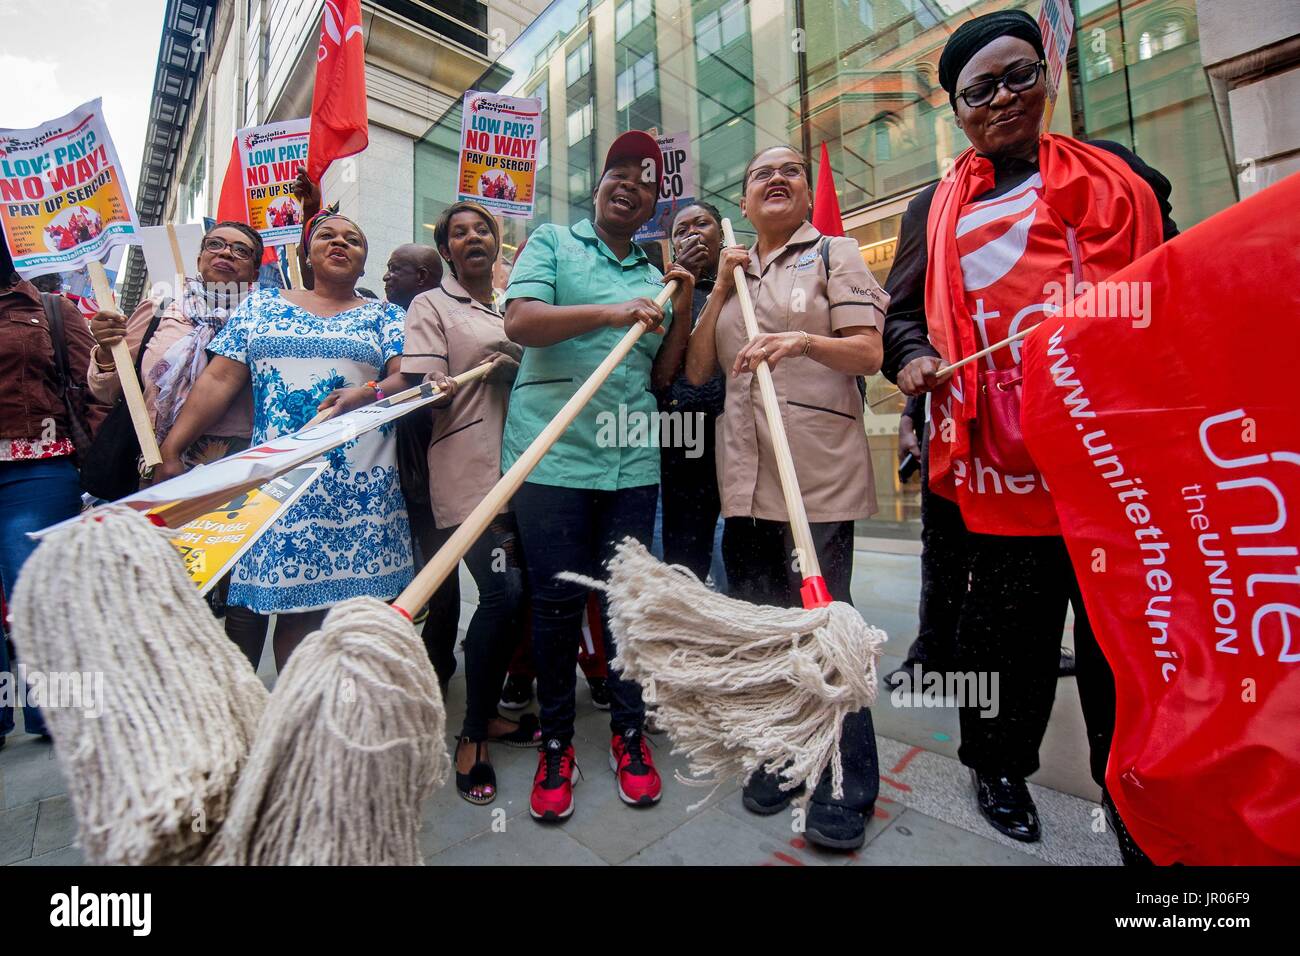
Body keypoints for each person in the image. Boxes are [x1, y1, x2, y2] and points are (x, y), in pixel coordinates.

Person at [881, 9, 1177, 848]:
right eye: (982, 88)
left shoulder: (1120, 173)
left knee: (1125, 641)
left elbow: (1180, 276)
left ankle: (1135, 792)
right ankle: (995, 762)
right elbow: (900, 319)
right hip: (1003, 462)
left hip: (1116, 460)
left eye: (1020, 76)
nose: (1004, 96)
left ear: (1046, 81)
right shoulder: (933, 208)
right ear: (959, 110)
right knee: (1004, 633)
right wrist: (908, 361)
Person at [682, 143, 889, 851]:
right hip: (742, 478)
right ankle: (780, 754)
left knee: (828, 629)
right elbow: (700, 369)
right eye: (759, 172)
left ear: (805, 196)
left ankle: (847, 780)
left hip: (816, 475)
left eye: (789, 171)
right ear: (742, 204)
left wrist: (799, 342)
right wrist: (716, 291)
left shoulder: (835, 253)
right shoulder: (731, 273)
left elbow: (868, 353)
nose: (775, 177)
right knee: (767, 632)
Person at [503, 130, 695, 822]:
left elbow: (665, 372)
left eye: (644, 182)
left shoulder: (657, 278)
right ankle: (557, 742)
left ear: (652, 204)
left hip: (632, 461)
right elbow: (521, 323)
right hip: (550, 457)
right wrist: (612, 313)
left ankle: (628, 733)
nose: (629, 186)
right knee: (556, 606)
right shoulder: (553, 244)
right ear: (599, 186)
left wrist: (688, 300)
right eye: (619, 173)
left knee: (625, 607)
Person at [156, 212, 413, 667]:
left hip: (361, 490)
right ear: (307, 253)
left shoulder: (386, 316)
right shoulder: (262, 306)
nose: (340, 243)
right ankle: (294, 721)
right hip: (280, 483)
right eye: (327, 236)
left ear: (363, 261)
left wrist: (367, 392)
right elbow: (218, 380)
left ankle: (337, 723)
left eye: (352, 240)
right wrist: (172, 449)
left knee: (353, 623)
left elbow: (405, 379)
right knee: (293, 615)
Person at [399, 200, 536, 804]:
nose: (473, 237)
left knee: (524, 597)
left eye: (483, 228)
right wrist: (475, 373)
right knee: (504, 593)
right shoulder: (430, 306)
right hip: (471, 475)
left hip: (534, 468)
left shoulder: (520, 302)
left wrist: (522, 365)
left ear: (498, 241)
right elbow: (422, 392)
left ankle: (493, 714)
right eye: (459, 232)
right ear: (447, 250)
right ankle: (473, 733)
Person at [87, 222, 267, 664]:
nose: (226, 253)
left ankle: (223, 688)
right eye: (216, 244)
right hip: (152, 467)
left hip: (229, 467)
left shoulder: (267, 318)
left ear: (255, 270)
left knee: (227, 587)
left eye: (240, 250)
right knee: (152, 586)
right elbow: (107, 391)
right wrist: (104, 351)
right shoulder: (162, 306)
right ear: (201, 255)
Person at [0, 234, 100, 746]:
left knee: (36, 591)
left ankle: (53, 711)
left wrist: (107, 469)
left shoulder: (52, 309)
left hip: (36, 469)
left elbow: (94, 388)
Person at [381, 243, 465, 688]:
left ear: (424, 276)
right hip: (388, 469)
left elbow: (416, 385)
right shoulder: (378, 316)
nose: (386, 276)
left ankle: (437, 661)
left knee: (439, 569)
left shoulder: (437, 317)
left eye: (397, 269)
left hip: (430, 465)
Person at [658, 202, 726, 585]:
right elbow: (660, 371)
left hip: (736, 427)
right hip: (682, 432)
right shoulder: (661, 290)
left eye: (702, 224)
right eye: (682, 230)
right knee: (685, 549)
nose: (693, 234)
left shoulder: (747, 281)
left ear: (721, 232)